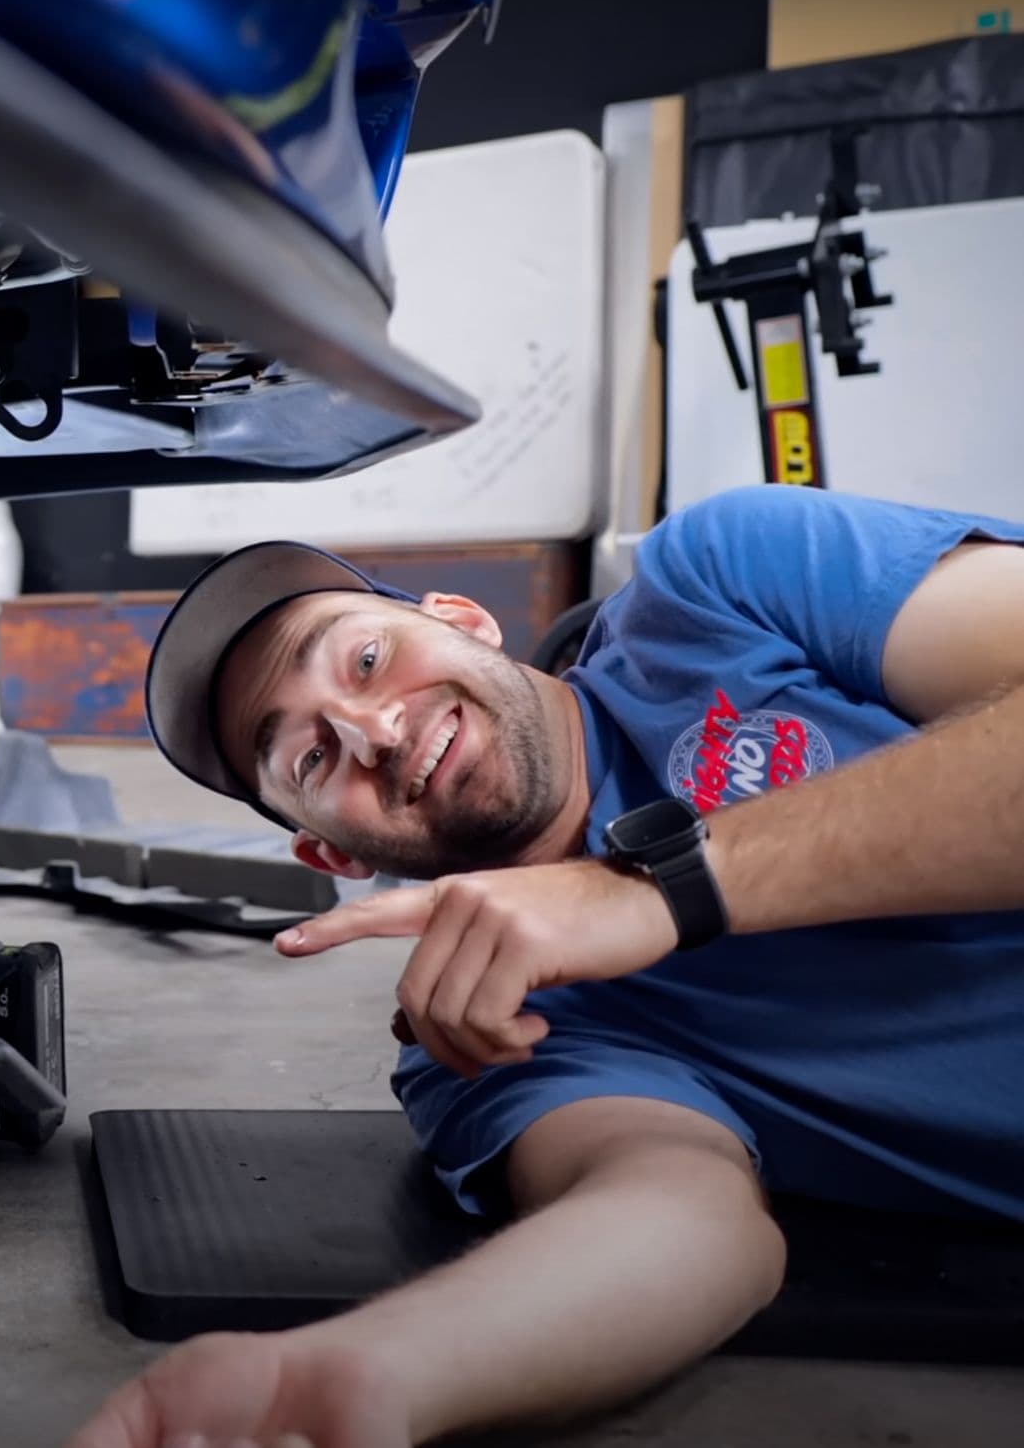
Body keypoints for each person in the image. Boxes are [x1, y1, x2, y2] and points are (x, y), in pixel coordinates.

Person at [66, 484, 1024, 1448]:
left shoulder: (724, 579)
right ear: (334, 857)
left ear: (465, 620)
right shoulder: (482, 1027)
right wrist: (378, 1369)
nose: (378, 731)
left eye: (367, 659)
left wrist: (658, 889)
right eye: (313, 761)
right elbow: (677, 1218)